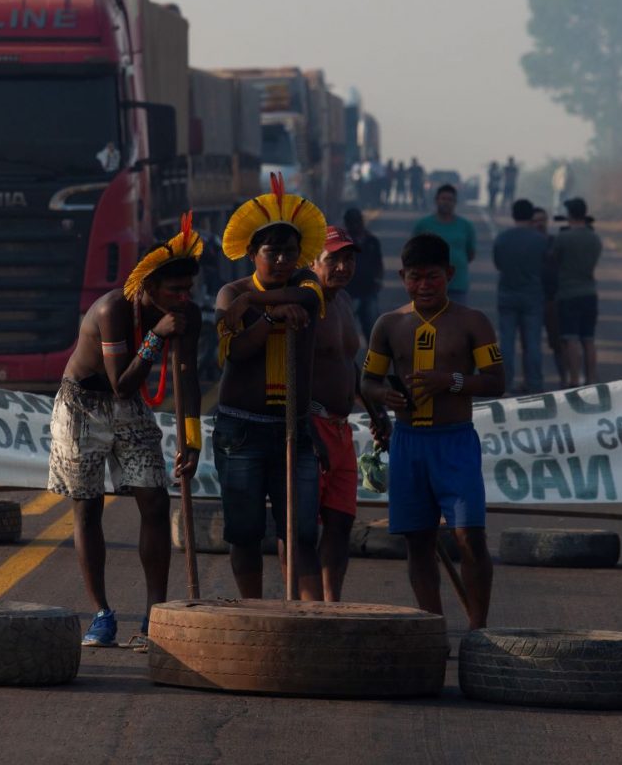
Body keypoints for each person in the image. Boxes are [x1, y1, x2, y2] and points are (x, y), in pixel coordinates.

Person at [49, 214, 203, 651]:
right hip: (82, 403)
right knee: (88, 508)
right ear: (149, 289)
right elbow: (120, 383)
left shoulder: (186, 315)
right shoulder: (112, 309)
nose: (182, 298)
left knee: (154, 499)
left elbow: (188, 380)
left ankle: (154, 615)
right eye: (174, 291)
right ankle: (101, 613)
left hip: (127, 407)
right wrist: (155, 335)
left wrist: (192, 440)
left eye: (188, 290)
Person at [361, 233, 503, 629]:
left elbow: (495, 381)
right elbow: (368, 381)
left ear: (450, 274)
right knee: (418, 543)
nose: (424, 286)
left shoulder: (473, 322)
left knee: (469, 537)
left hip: (455, 442)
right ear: (403, 276)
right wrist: (383, 397)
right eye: (415, 277)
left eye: (433, 277)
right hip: (408, 444)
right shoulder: (388, 324)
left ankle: (478, 630)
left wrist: (451, 381)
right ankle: (431, 627)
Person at [214, 174, 328, 600]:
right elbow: (237, 352)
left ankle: (312, 618)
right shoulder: (230, 292)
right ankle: (253, 611)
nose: (281, 259)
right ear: (251, 254)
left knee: (300, 532)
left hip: (294, 429)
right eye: (271, 251)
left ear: (301, 255)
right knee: (244, 534)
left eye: (289, 251)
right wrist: (270, 317)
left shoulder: (307, 287)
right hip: (241, 430)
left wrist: (258, 304)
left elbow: (309, 301)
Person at [309, 226, 388, 601]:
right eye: (333, 259)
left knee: (341, 522)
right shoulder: (305, 303)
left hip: (341, 431)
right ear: (312, 261)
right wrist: (303, 432)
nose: (343, 267)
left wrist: (374, 411)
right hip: (309, 426)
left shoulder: (342, 302)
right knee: (302, 528)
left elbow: (347, 364)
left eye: (349, 259)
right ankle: (304, 608)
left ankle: (330, 604)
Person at [492, 199, 548, 394]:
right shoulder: (541, 240)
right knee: (532, 342)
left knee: (506, 341)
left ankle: (505, 383)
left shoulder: (502, 238)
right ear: (531, 215)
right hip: (532, 294)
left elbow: (498, 263)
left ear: (513, 215)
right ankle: (534, 383)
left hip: (507, 292)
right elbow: (546, 266)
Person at [555, 197, 603, 387]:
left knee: (571, 338)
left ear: (570, 214)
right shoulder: (594, 238)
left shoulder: (564, 238)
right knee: (588, 339)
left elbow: (555, 259)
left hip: (568, 293)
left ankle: (574, 379)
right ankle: (591, 379)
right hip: (589, 292)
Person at [413, 184, 476, 303]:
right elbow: (412, 253)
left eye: (450, 200)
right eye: (443, 199)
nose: (446, 203)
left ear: (455, 202)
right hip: (429, 285)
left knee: (456, 320)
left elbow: (470, 254)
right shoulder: (423, 225)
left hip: (458, 284)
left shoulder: (465, 226)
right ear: (436, 200)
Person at [533, 206, 568, 388]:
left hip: (553, 299)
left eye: (542, 220)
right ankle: (531, 380)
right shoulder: (528, 244)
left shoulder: (554, 242)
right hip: (533, 300)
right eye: (536, 220)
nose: (539, 223)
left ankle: (564, 379)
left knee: (558, 344)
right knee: (531, 344)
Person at [342, 207, 383, 342]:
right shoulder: (342, 244)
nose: (355, 225)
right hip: (349, 292)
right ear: (347, 224)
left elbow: (378, 263)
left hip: (368, 291)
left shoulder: (372, 241)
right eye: (351, 222)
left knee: (373, 332)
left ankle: (374, 361)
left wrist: (378, 281)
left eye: (357, 221)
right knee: (346, 331)